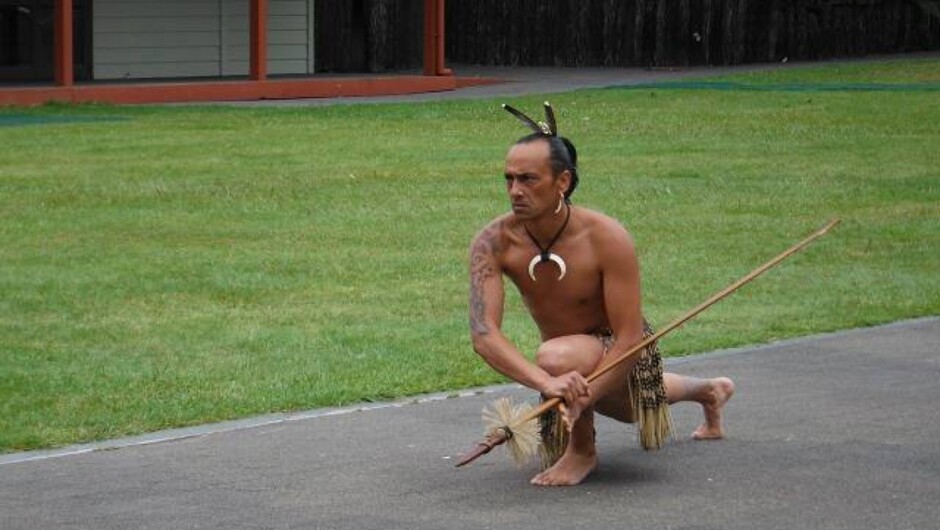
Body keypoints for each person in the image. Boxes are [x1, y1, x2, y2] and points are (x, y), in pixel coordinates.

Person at [468, 103, 735, 487]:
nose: (515, 191)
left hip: (622, 350)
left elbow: (629, 337)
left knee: (571, 366)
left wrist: (578, 391)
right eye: (508, 179)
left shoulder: (607, 237)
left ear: (563, 182)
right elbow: (484, 334)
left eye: (528, 179)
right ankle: (709, 390)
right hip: (565, 363)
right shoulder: (492, 242)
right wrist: (546, 384)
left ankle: (581, 452)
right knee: (571, 367)